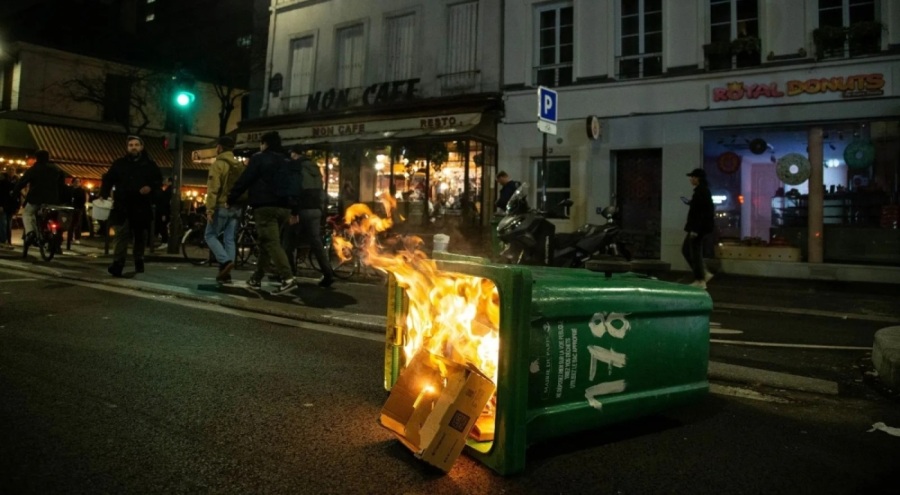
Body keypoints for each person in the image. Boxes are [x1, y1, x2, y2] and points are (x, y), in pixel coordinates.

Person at [226, 131, 297, 295]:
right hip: (285, 208)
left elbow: (246, 179)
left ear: (265, 143)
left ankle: (287, 278)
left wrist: (231, 198)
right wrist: (294, 209)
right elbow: (295, 185)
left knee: (271, 243)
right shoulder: (288, 160)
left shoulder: (260, 158)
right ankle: (256, 278)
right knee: (266, 242)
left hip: (265, 207)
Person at [100, 135, 163, 277]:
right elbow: (109, 179)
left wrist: (150, 188)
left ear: (141, 147)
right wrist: (103, 193)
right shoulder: (119, 164)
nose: (133, 147)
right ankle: (118, 263)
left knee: (140, 236)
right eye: (131, 145)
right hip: (123, 205)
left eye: (136, 144)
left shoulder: (150, 165)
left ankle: (138, 258)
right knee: (121, 234)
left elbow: (158, 182)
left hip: (141, 205)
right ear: (127, 148)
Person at [283, 144, 335, 288]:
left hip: (301, 209)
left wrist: (293, 211)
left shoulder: (296, 166)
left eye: (291, 154)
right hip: (316, 209)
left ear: (294, 154)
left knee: (288, 243)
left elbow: (295, 190)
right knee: (316, 243)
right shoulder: (315, 168)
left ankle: (290, 275)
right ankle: (328, 273)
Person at [204, 136, 245, 284]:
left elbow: (213, 188)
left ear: (220, 148)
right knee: (229, 239)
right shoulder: (238, 165)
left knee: (210, 235)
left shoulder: (219, 164)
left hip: (221, 206)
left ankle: (225, 261)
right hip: (236, 207)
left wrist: (209, 209)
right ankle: (226, 274)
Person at [12, 150, 66, 257]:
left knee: (27, 213)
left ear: (37, 158)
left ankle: (31, 232)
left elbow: (22, 182)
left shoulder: (34, 169)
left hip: (36, 198)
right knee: (50, 216)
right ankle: (50, 233)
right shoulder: (56, 169)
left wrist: (14, 192)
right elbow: (61, 184)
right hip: (52, 199)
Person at [682, 168, 715, 289]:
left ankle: (700, 279)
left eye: (693, 177)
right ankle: (703, 274)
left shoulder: (701, 192)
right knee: (689, 250)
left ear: (698, 178)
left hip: (697, 228)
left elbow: (701, 213)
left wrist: (695, 230)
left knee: (692, 252)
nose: (691, 179)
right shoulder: (702, 191)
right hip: (699, 228)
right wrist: (691, 203)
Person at [67, 177, 88, 249]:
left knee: (77, 223)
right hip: (70, 208)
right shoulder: (70, 189)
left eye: (78, 181)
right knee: (70, 223)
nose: (77, 183)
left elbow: (83, 200)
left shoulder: (81, 191)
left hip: (78, 208)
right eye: (76, 181)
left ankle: (77, 238)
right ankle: (70, 238)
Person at [0, 170, 18, 248]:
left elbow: (16, 196)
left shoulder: (14, 182)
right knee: (4, 224)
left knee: (7, 224)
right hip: (5, 206)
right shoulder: (4, 182)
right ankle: (4, 240)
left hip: (9, 206)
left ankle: (7, 240)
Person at [156, 177, 173, 243]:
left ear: (169, 182)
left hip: (165, 211)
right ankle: (164, 240)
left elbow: (165, 202)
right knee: (163, 226)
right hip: (167, 211)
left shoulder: (168, 190)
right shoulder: (171, 190)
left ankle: (164, 241)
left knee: (162, 226)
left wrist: (164, 214)